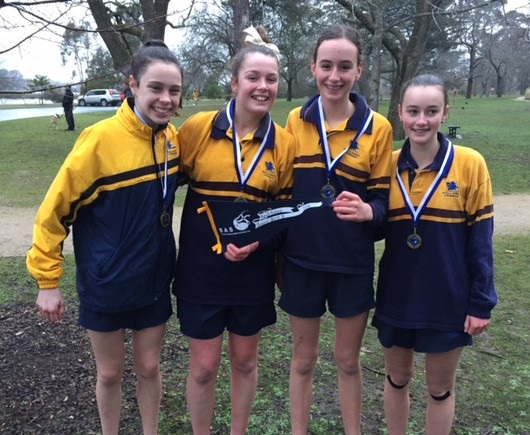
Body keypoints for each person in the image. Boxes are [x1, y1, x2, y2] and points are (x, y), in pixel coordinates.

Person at [26, 40, 183, 435]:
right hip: (106, 281)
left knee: (149, 367)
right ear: (133, 85)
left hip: (153, 279)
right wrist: (48, 281)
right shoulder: (98, 140)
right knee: (110, 373)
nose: (166, 99)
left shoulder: (172, 139)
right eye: (156, 88)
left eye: (174, 90)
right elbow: (54, 212)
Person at [173, 30, 295, 435]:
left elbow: (284, 215)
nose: (263, 87)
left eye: (271, 79)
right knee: (204, 367)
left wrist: (260, 242)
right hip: (201, 270)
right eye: (253, 77)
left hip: (252, 271)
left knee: (244, 361)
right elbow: (162, 186)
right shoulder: (198, 129)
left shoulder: (284, 144)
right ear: (234, 82)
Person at [278, 24, 393, 434]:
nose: (334, 76)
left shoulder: (378, 127)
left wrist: (368, 212)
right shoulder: (295, 120)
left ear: (359, 70)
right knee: (303, 360)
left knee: (347, 360)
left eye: (345, 66)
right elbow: (283, 192)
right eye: (326, 65)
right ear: (312, 67)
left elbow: (385, 205)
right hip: (302, 260)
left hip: (351, 262)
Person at [372, 74, 498, 434]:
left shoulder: (470, 163)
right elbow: (375, 226)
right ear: (401, 112)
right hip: (397, 294)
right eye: (413, 111)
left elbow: (481, 241)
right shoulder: (387, 165)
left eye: (431, 111)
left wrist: (481, 303)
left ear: (446, 113)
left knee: (439, 389)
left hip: (448, 297)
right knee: (396, 378)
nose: (421, 120)